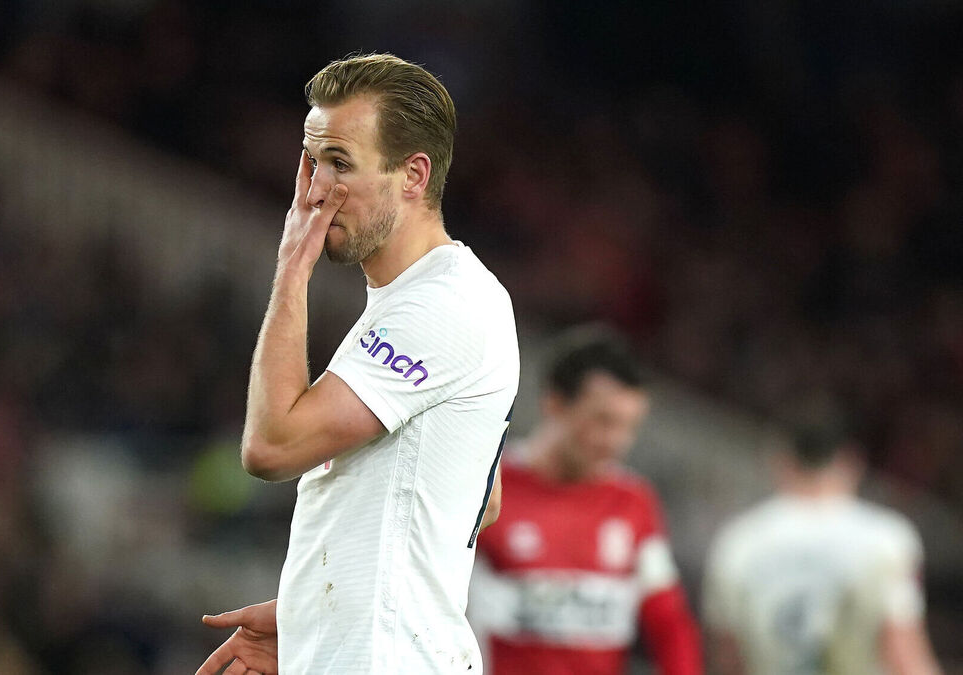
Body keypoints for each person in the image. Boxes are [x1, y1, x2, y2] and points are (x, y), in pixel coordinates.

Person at [197, 53, 519, 674]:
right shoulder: (426, 298)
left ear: (413, 175)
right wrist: (321, 612)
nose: (315, 190)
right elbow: (481, 497)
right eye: (311, 160)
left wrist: (292, 270)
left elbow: (270, 446)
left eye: (341, 164)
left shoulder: (443, 305)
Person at [468, 325, 702, 674]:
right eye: (603, 421)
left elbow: (668, 621)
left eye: (629, 427)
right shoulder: (489, 487)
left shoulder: (633, 501)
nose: (616, 442)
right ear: (554, 403)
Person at [703, 424, 942, 675]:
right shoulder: (886, 538)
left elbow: (728, 658)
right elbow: (902, 651)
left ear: (781, 461)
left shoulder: (738, 541)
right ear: (852, 462)